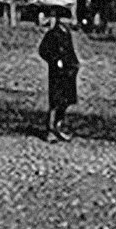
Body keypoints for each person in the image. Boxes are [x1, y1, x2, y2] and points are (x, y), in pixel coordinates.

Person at [38, 10, 80, 141]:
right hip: (57, 72)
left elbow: (70, 51)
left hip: (68, 71)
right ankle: (50, 130)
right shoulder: (53, 34)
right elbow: (43, 50)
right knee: (55, 101)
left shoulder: (66, 33)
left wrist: (75, 64)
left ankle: (59, 126)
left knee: (66, 100)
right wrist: (55, 60)